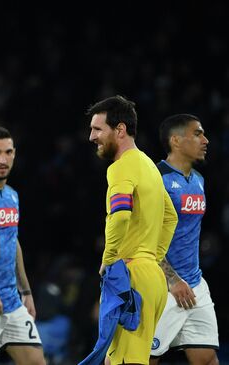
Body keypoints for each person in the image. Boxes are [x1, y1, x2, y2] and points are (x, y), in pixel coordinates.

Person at [86, 95, 178, 365]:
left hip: (132, 277)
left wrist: (109, 259)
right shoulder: (149, 165)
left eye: (97, 129)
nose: (91, 136)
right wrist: (154, 257)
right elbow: (170, 217)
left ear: (120, 129)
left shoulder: (121, 167)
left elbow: (120, 214)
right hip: (152, 278)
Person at [0, 126, 45, 364]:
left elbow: (12, 241)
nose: (2, 159)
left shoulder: (12, 195)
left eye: (8, 152)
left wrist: (26, 291)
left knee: (36, 362)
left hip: (11, 301)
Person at [150, 114, 219, 365]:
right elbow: (145, 240)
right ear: (176, 140)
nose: (206, 140)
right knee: (142, 359)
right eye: (198, 134)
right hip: (161, 287)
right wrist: (172, 280)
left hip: (194, 285)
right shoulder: (156, 179)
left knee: (207, 358)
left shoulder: (199, 181)